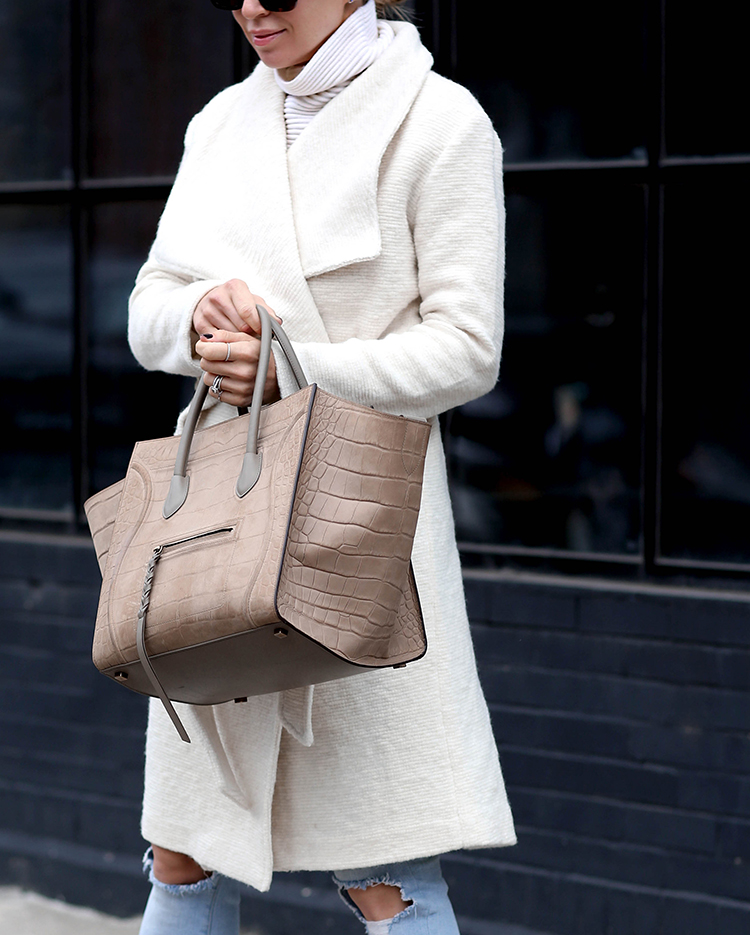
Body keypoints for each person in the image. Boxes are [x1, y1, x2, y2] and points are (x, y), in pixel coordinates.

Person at [127, 1, 515, 932]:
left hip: (361, 526)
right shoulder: (221, 125)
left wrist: (290, 361)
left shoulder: (440, 121)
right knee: (181, 850)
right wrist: (200, 322)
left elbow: (468, 348)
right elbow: (148, 307)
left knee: (386, 871)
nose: (254, 8)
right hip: (223, 522)